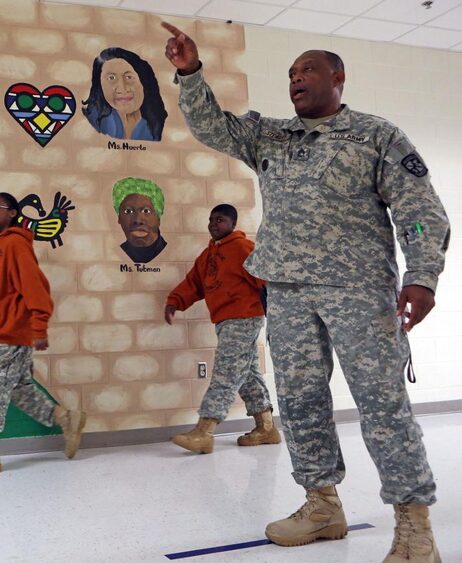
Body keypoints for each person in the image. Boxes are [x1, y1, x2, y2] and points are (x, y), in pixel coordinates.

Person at [163, 22, 450, 563]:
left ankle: (414, 527)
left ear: (338, 78)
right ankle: (321, 504)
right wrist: (190, 73)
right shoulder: (271, 135)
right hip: (288, 293)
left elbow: (420, 212)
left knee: (382, 405)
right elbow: (210, 127)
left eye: (308, 69)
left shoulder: (375, 136)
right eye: (292, 73)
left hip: (359, 291)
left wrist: (421, 276)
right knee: (299, 403)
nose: (296, 79)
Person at [0, 192, 86, 477]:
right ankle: (66, 418)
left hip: (10, 332)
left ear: (13, 213)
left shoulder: (15, 245)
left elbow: (35, 286)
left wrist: (39, 326)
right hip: (2, 331)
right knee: (19, 389)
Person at [166, 204, 280, 454]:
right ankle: (267, 428)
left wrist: (276, 312)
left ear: (232, 224)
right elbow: (193, 283)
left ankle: (204, 431)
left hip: (244, 317)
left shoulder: (242, 248)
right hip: (224, 320)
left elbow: (265, 279)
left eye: (220, 220)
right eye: (211, 220)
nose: (213, 224)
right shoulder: (208, 255)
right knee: (246, 373)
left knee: (226, 371)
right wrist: (175, 301)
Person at [83, 47, 168, 142]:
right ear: (100, 85)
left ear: (144, 82)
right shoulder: (90, 122)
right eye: (111, 78)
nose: (122, 89)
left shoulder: (162, 123)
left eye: (129, 77)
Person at [113, 177, 167, 264]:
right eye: (128, 211)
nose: (138, 220)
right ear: (119, 218)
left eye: (146, 211)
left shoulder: (169, 252)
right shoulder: (116, 254)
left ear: (158, 218)